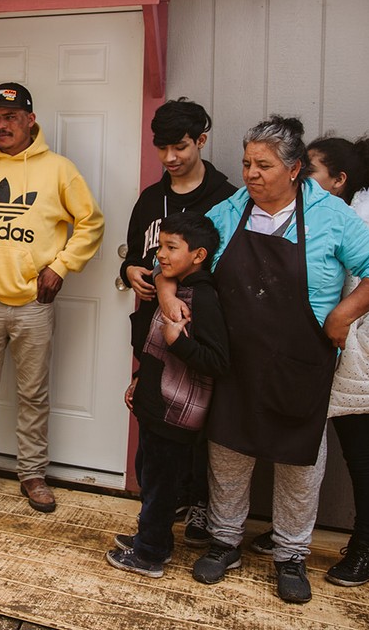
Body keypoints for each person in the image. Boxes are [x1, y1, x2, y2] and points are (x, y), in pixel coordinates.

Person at [157, 116, 369, 605]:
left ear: (294, 170)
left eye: (263, 165)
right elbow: (180, 254)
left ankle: (291, 555)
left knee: (298, 463)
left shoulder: (330, 215)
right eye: (247, 163)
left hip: (300, 359)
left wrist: (343, 315)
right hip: (236, 357)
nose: (251, 173)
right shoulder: (231, 210)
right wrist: (166, 290)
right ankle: (225, 542)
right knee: (228, 454)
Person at [248, 134, 369, 587]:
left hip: (356, 369)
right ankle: (289, 535)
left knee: (363, 456)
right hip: (304, 361)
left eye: (310, 171)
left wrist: (361, 344)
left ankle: (368, 549)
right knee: (297, 451)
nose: (299, 177)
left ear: (340, 179)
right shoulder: (309, 216)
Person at [0, 82, 104, 514]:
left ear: (30, 120)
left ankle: (32, 474)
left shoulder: (59, 169)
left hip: (34, 304)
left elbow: (91, 223)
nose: (1, 126)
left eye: (10, 117)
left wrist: (61, 267)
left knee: (33, 394)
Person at [118, 98, 235, 547]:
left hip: (201, 335)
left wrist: (172, 289)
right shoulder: (151, 198)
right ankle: (163, 512)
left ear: (201, 140)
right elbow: (133, 254)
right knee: (156, 427)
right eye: (161, 147)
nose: (169, 157)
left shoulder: (226, 198)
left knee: (201, 428)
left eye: (180, 147)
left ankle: (201, 505)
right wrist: (131, 270)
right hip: (154, 335)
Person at [108, 211, 230, 578]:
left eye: (171, 247)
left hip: (175, 413)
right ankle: (151, 536)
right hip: (155, 404)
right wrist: (139, 379)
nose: (161, 254)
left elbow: (218, 361)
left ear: (199, 255)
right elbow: (153, 348)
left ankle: (150, 554)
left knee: (162, 486)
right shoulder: (174, 289)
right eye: (160, 245)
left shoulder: (203, 298)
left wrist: (179, 342)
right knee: (149, 475)